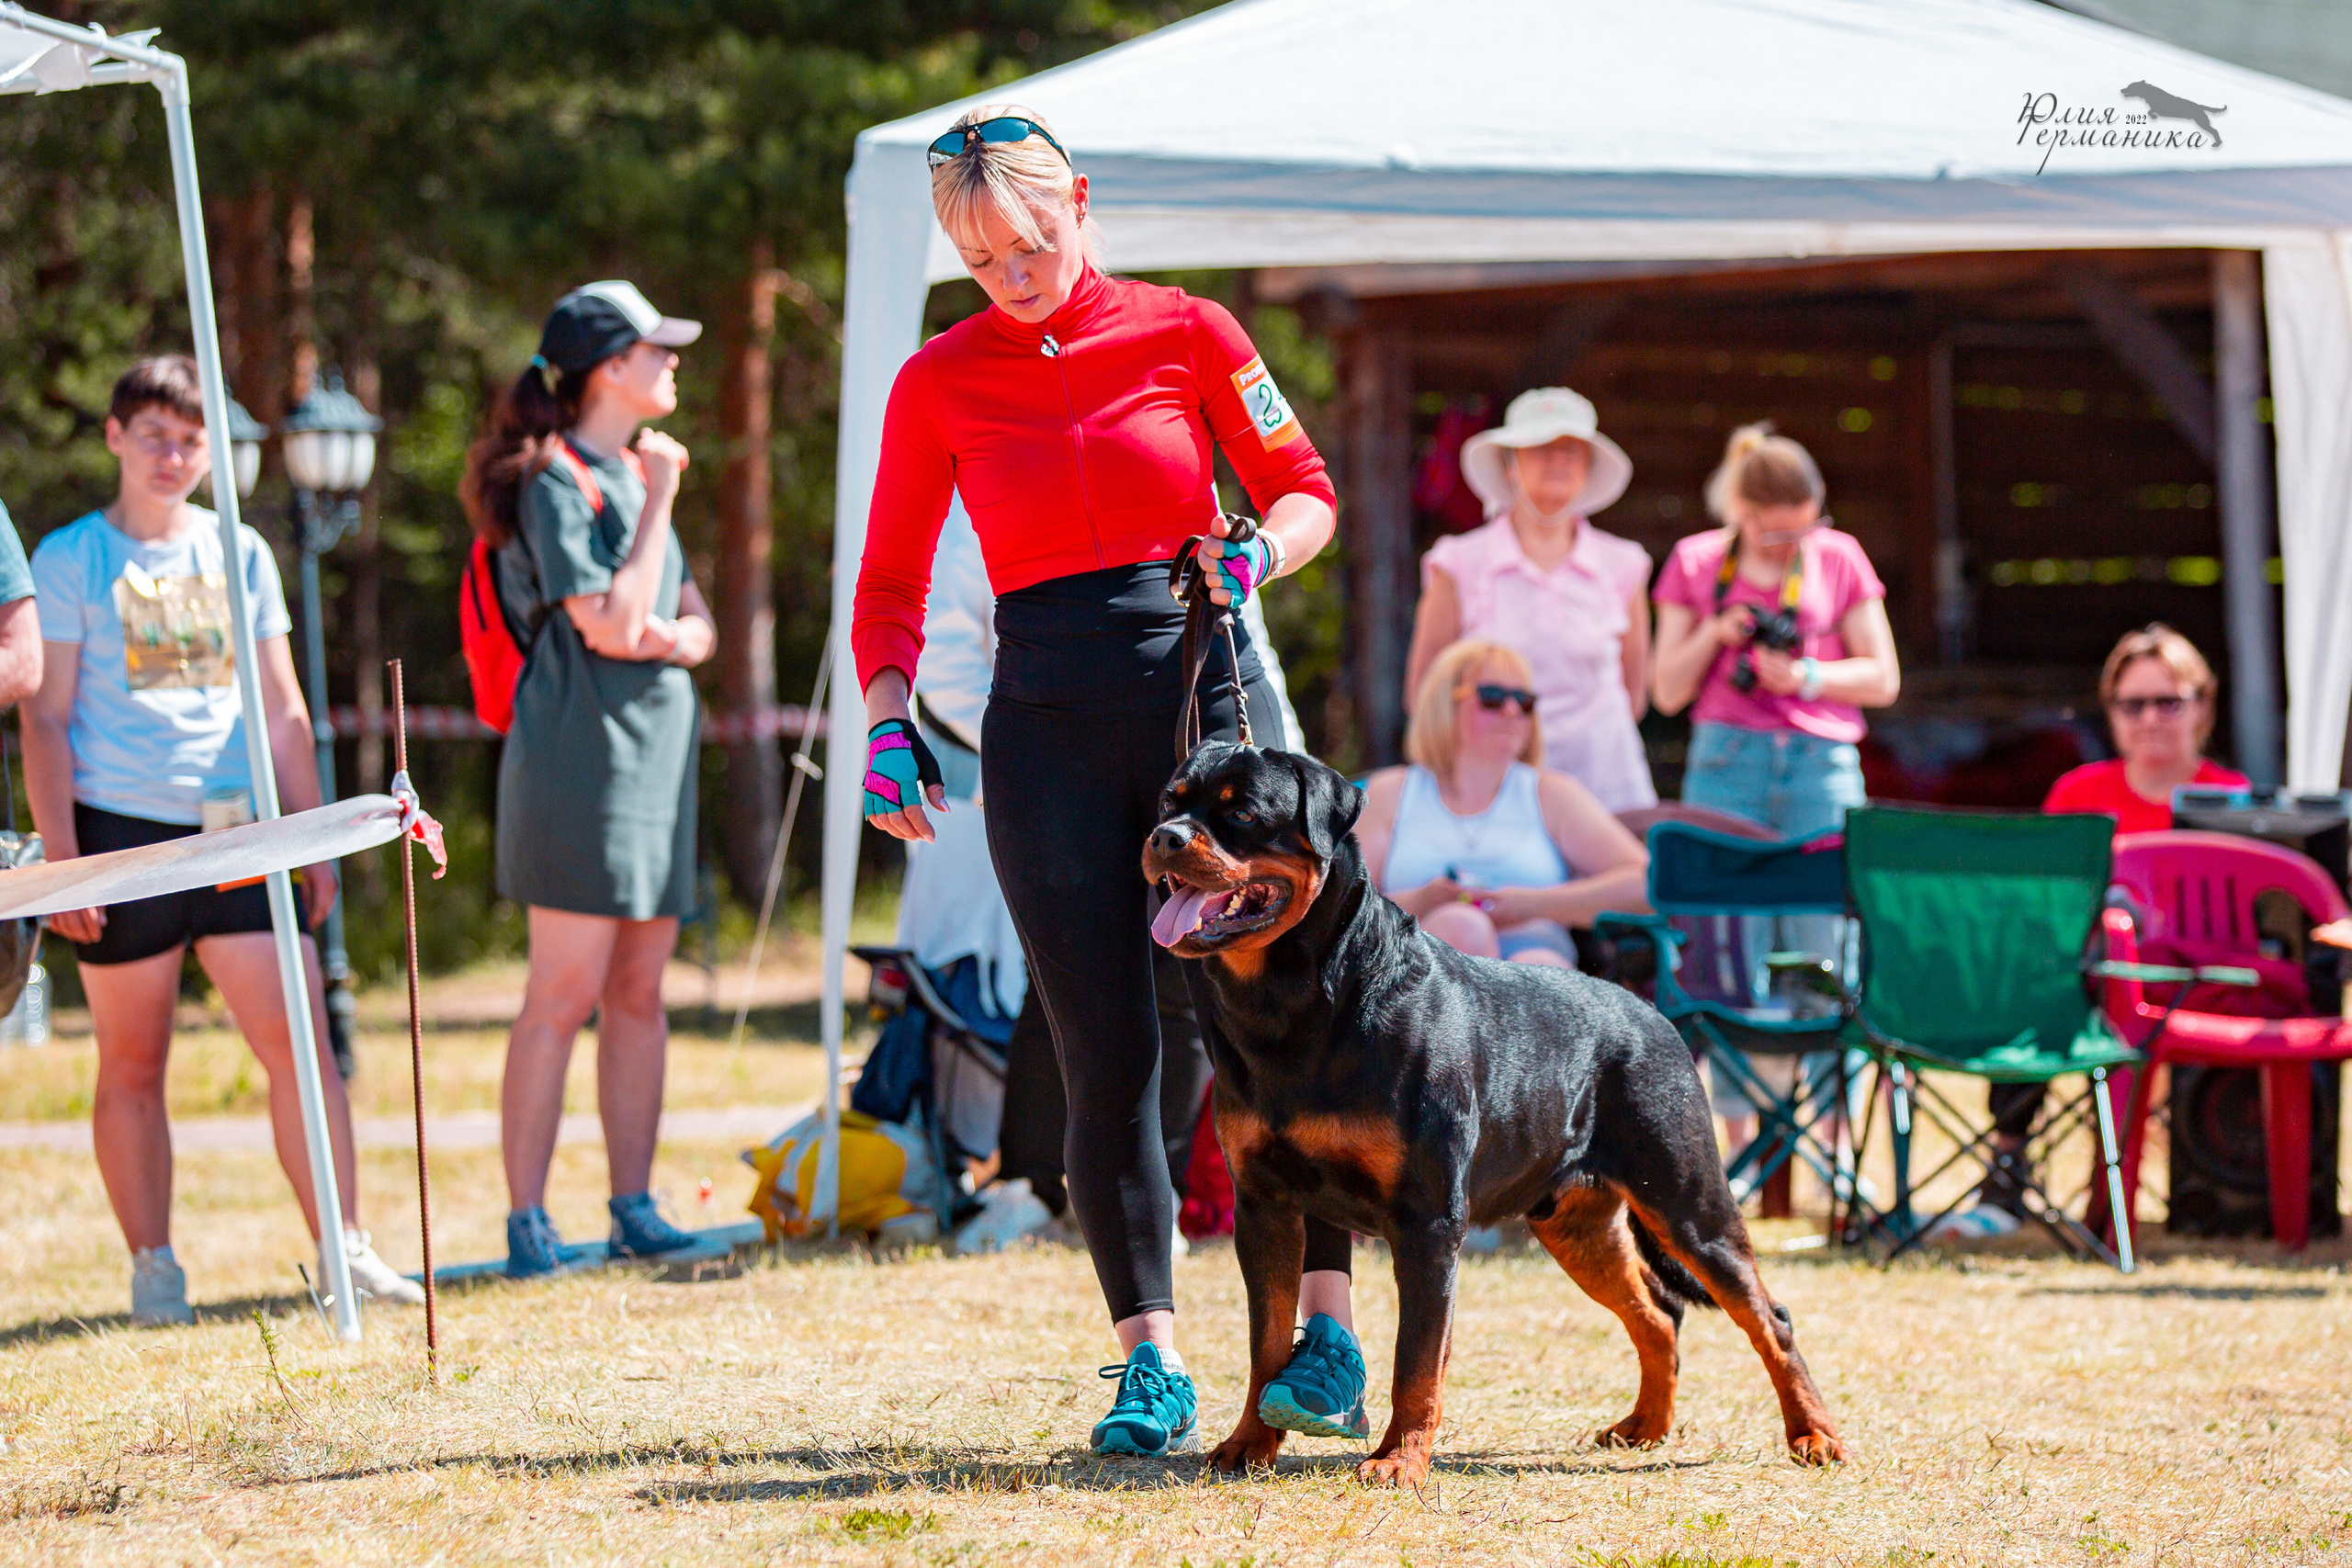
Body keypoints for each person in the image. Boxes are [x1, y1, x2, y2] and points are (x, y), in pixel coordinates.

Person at [855, 105, 1361, 1458]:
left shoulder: (1191, 330)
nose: (1012, 277)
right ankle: (1154, 1363)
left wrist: (1260, 548)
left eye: (1027, 243)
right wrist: (888, 719)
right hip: (1044, 723)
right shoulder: (940, 379)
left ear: (1079, 202)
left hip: (1203, 700)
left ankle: (1329, 1328)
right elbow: (892, 584)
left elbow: (1305, 485)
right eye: (980, 262)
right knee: (1106, 1050)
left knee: (1277, 1021)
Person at [22, 355, 423, 1325]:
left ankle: (344, 1245)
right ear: (116, 437)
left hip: (238, 831)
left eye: (193, 440)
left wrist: (313, 833)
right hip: (120, 836)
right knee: (133, 1060)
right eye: (155, 435)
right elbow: (45, 717)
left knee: (304, 1046)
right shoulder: (71, 556)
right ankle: (155, 1271)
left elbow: (283, 706)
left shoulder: (238, 550)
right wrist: (65, 859)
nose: (174, 456)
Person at [458, 282, 718, 1277]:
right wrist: (656, 504)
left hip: (654, 759)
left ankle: (631, 1206)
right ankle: (528, 1221)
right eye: (659, 349)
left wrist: (660, 628)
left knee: (640, 992)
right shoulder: (558, 480)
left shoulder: (625, 469)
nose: (674, 365)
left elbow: (693, 624)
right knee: (560, 993)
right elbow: (611, 623)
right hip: (578, 764)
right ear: (611, 366)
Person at [1650, 422, 1901, 1161]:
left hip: (1820, 759)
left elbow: (1882, 677)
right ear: (1742, 511)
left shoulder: (1841, 556)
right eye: (1774, 536)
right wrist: (1717, 632)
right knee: (1726, 945)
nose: (1792, 547)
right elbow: (1665, 689)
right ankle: (1738, 1145)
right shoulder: (1697, 562)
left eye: (1804, 531)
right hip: (1728, 762)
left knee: (1828, 944)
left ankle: (1832, 1147)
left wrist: (1811, 677)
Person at [1948, 625, 2248, 1238]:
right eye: (2132, 704)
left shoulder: (2233, 799)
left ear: (2203, 704)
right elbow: (2045, 909)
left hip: (2198, 981)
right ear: (2110, 711)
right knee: (2033, 971)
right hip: (2093, 979)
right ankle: (2007, 1168)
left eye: (2169, 701)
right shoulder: (2080, 793)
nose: (2150, 719)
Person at [1404, 388, 1657, 811]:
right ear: (1508, 464)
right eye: (1540, 448)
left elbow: (1634, 692)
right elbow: (1424, 691)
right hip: (1495, 794)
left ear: (1589, 467)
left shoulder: (1625, 564)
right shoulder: (1458, 562)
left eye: (1571, 450)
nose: (1558, 460)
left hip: (1608, 791)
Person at [1356, 640, 1650, 967]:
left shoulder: (1551, 793)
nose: (1511, 711)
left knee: (1540, 966)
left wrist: (1532, 905)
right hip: (1421, 977)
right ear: (1443, 704)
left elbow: (1646, 881)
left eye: (1524, 701)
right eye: (1492, 698)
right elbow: (1341, 904)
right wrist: (1422, 901)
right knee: (1462, 926)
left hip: (1535, 962)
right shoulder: (1391, 793)